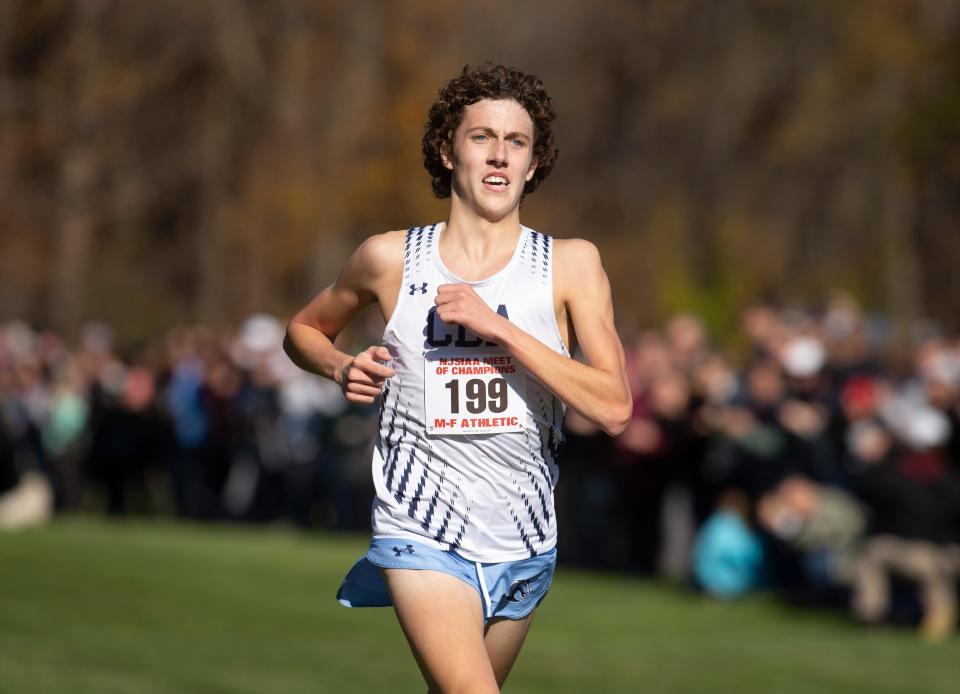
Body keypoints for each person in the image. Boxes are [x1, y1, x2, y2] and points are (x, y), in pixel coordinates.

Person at [284, 63, 631, 693]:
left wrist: (501, 329)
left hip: (524, 536)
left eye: (516, 142)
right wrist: (340, 366)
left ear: (533, 163)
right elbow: (303, 330)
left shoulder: (571, 266)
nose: (499, 156)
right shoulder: (390, 259)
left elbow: (613, 407)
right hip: (420, 527)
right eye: (481, 138)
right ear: (448, 151)